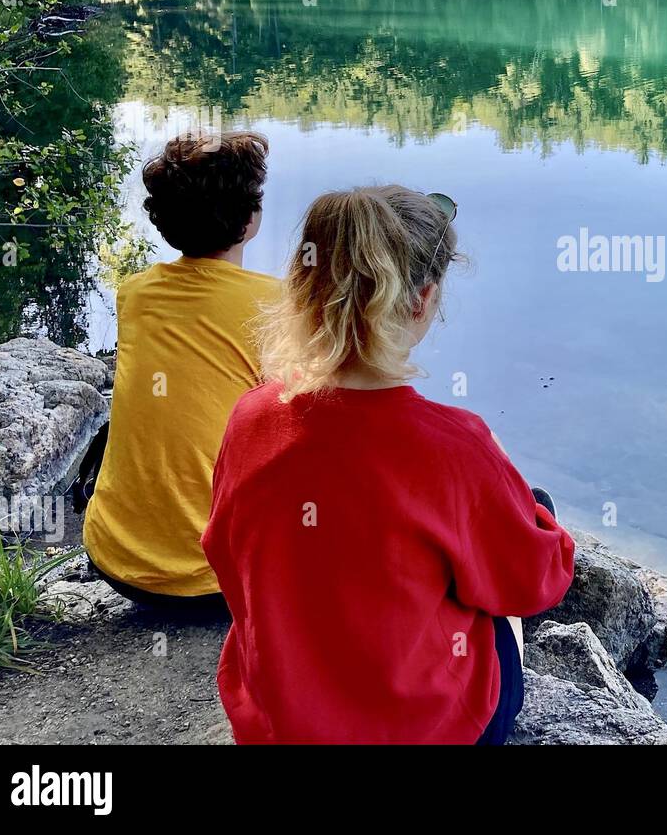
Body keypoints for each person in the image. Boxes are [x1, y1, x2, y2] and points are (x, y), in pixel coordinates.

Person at [201, 185, 574, 744]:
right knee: (530, 518)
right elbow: (535, 584)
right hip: (425, 730)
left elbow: (224, 552)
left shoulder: (251, 415)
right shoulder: (457, 448)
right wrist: (519, 500)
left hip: (278, 725)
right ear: (423, 300)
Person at [83, 131, 278, 609]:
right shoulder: (277, 306)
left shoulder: (134, 294)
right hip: (219, 584)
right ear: (251, 220)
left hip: (115, 560)